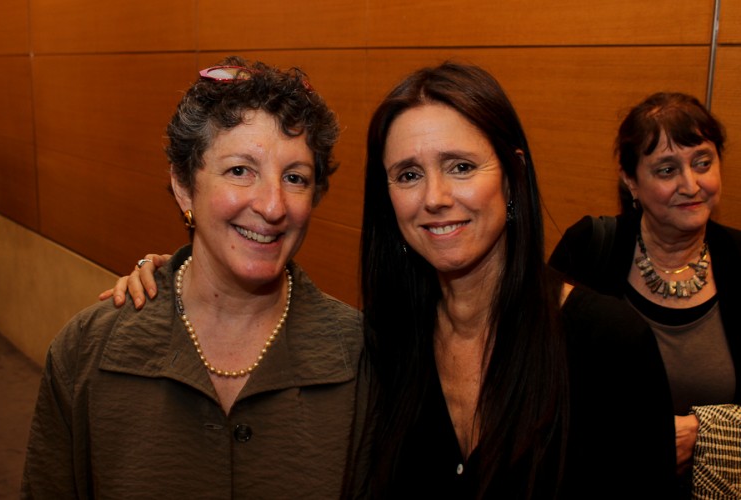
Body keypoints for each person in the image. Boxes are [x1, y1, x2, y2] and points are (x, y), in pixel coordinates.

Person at [105, 62, 679, 498]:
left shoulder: (608, 345)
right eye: (408, 175)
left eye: (460, 166)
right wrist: (182, 272)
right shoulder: (386, 344)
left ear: (513, 175)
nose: (435, 197)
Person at [22, 56, 364, 499]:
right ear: (185, 186)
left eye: (295, 178)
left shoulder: (363, 359)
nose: (273, 206)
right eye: (240, 171)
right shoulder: (86, 352)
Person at [549, 92, 740, 496]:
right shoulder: (589, 250)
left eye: (703, 163)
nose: (691, 185)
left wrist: (705, 431)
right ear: (630, 179)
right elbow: (539, 382)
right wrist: (640, 439)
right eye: (667, 170)